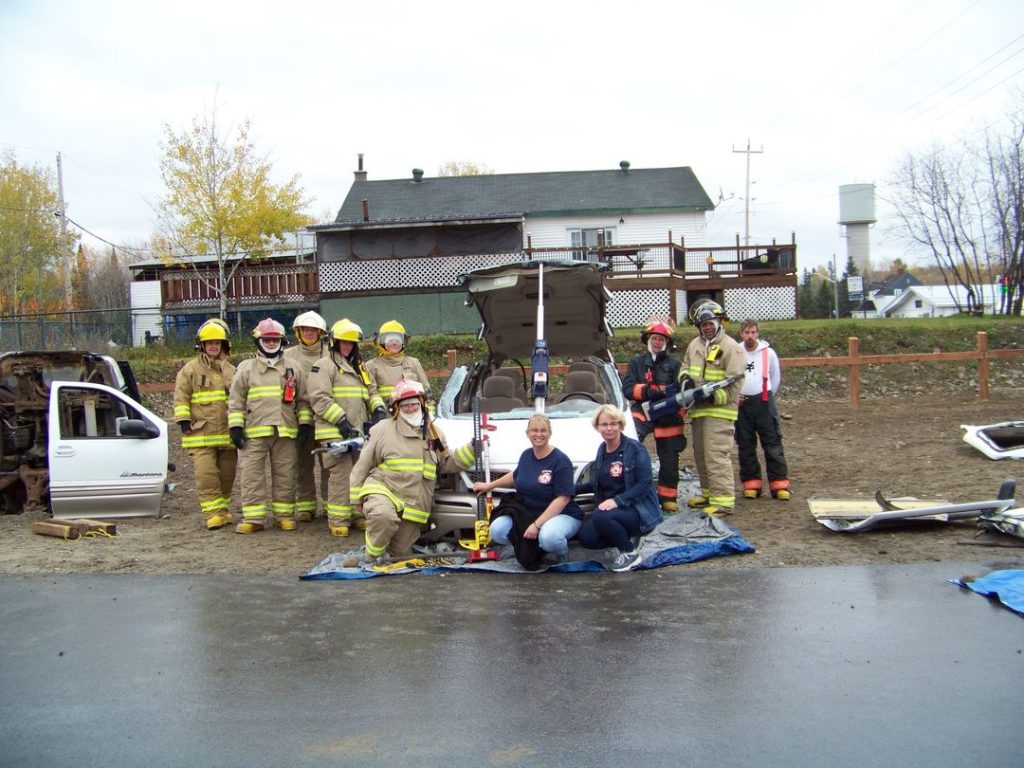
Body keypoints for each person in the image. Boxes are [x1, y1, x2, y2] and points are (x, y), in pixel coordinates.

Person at [350, 379, 475, 563]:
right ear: (397, 408)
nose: (411, 408)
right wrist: (355, 498)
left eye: (414, 404)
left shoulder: (434, 433)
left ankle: (384, 548)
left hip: (413, 504)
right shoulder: (382, 430)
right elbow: (363, 465)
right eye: (405, 405)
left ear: (422, 404)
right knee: (383, 517)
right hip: (384, 489)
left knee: (401, 554)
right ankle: (372, 556)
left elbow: (447, 463)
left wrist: (473, 448)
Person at [227, 318, 313, 534]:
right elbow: (236, 401)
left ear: (282, 341)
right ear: (258, 341)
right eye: (267, 339)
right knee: (251, 475)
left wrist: (304, 424)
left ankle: (283, 516)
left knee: (285, 473)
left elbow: (303, 400)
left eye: (275, 340)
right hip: (254, 433)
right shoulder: (246, 369)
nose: (271, 343)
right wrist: (235, 428)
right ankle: (254, 518)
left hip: (286, 430)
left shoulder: (294, 368)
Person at [308, 318, 387, 537]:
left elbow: (372, 392)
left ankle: (357, 515)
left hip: (358, 433)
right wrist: (341, 421)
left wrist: (378, 409)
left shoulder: (359, 367)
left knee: (360, 474)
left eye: (351, 343)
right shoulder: (323, 366)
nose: (347, 346)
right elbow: (319, 398)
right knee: (341, 476)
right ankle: (339, 520)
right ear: (334, 342)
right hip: (335, 432)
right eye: (343, 343)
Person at [473, 413, 584, 563]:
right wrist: (489, 485)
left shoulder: (560, 461)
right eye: (534, 430)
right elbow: (516, 475)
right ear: (528, 433)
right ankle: (534, 549)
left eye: (543, 430)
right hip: (530, 512)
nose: (539, 434)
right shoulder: (526, 455)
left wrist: (537, 526)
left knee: (549, 538)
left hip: (562, 514)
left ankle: (561, 551)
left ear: (550, 433)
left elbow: (563, 499)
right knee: (497, 530)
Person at [576, 405, 662, 572]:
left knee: (601, 516)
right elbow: (597, 482)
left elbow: (645, 484)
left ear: (621, 425)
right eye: (604, 424)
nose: (609, 428)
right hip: (611, 512)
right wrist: (569, 490)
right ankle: (623, 535)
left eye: (613, 424)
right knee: (587, 538)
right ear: (597, 427)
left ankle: (630, 553)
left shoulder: (635, 449)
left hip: (636, 509)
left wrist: (618, 500)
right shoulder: (602, 449)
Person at [679, 299, 746, 516]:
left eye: (711, 323)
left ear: (719, 322)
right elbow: (685, 367)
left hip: (719, 412)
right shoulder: (695, 345)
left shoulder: (731, 348)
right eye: (703, 324)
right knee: (701, 454)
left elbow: (735, 383)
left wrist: (713, 397)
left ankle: (723, 502)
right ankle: (709, 494)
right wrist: (686, 380)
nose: (707, 327)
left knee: (716, 455)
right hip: (698, 411)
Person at [173, 318, 237, 530]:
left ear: (223, 345)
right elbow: (181, 396)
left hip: (228, 434)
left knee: (227, 476)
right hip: (200, 434)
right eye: (209, 343)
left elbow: (241, 399)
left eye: (217, 343)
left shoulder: (231, 371)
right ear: (201, 345)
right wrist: (183, 421)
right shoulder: (190, 370)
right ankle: (213, 514)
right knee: (207, 475)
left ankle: (223, 510)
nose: (213, 346)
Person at [622, 320, 686, 511]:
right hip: (643, 411)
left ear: (667, 342)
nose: (657, 342)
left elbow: (682, 390)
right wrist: (647, 391)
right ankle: (628, 491)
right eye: (654, 338)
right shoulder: (637, 363)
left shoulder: (675, 364)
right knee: (629, 447)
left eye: (661, 339)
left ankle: (668, 497)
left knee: (669, 456)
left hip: (668, 415)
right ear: (648, 340)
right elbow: (627, 389)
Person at [735, 319, 791, 501]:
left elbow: (776, 377)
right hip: (742, 404)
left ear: (757, 333)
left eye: (753, 332)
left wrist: (765, 394)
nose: (750, 336)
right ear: (741, 334)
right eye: (746, 333)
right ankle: (751, 483)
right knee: (745, 444)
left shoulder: (769, 353)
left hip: (764, 402)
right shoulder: (735, 352)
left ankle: (779, 484)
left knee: (772, 442)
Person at [283, 311, 328, 523]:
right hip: (299, 419)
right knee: (303, 463)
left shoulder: (331, 354)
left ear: (320, 333)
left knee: (330, 464)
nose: (310, 333)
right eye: (305, 330)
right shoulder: (288, 356)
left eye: (313, 330)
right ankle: (306, 507)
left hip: (327, 417)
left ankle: (331, 505)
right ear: (298, 332)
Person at [363, 320, 431, 405]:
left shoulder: (413, 363)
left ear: (403, 343)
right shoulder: (371, 366)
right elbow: (371, 393)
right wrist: (379, 410)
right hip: (385, 415)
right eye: (390, 340)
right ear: (382, 342)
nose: (394, 343)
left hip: (411, 413)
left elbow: (426, 392)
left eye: (398, 340)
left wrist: (425, 413)